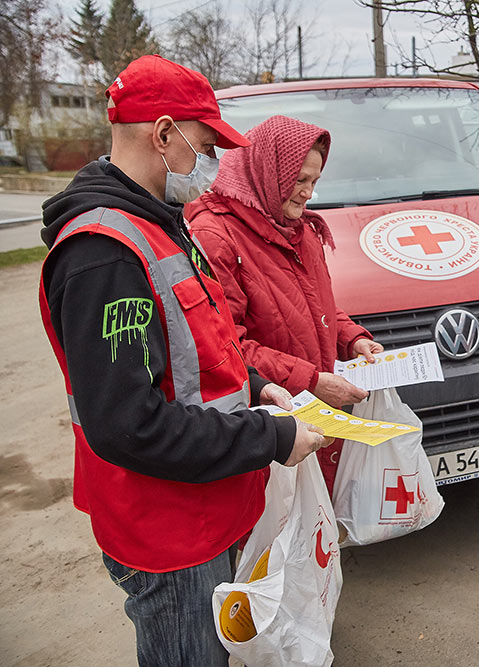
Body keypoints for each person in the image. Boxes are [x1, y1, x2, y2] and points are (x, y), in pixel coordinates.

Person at [38, 55, 329, 667]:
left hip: (208, 506)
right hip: (169, 533)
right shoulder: (104, 255)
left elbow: (199, 346)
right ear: (164, 134)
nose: (213, 164)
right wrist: (267, 437)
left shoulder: (162, 226)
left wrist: (254, 387)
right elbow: (127, 423)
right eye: (203, 144)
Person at [187, 115, 381, 494]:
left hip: (309, 419)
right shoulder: (216, 236)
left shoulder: (298, 228)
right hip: (266, 431)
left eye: (315, 182)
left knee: (313, 539)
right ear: (266, 170)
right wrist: (311, 380)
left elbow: (315, 306)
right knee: (272, 543)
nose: (308, 193)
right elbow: (226, 346)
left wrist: (352, 338)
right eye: (300, 180)